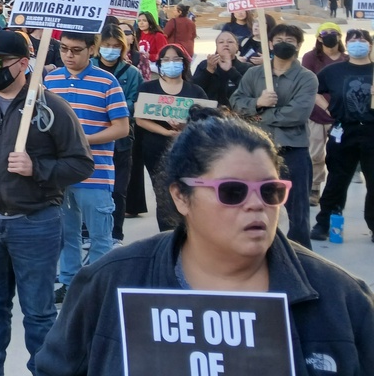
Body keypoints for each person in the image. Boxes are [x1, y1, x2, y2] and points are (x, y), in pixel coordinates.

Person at [34, 111, 374, 375]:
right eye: (232, 191)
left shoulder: (341, 298)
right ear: (182, 197)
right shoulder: (110, 283)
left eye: (270, 191)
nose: (257, 205)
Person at [0, 29, 94, 376]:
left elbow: (81, 163)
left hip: (35, 224)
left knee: (39, 313)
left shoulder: (51, 107)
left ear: (24, 64)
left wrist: (36, 168)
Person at [44, 31, 130, 303]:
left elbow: (122, 128)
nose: (69, 55)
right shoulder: (51, 79)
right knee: (66, 234)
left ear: (92, 50)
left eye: (76, 50)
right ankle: (69, 283)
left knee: (99, 237)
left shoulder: (107, 82)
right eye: (64, 49)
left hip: (96, 173)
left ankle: (99, 288)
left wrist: (83, 139)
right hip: (60, 174)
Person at [231, 23, 319, 249]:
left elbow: (297, 114)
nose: (283, 45)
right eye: (279, 40)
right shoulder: (253, 74)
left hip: (293, 151)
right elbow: (236, 103)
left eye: (290, 41)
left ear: (299, 45)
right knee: (253, 205)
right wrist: (258, 103)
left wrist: (259, 115)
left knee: (298, 212)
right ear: (270, 44)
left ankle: (301, 258)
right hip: (257, 150)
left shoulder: (307, 78)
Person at [310, 29, 374, 243]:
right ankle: (324, 223)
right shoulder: (333, 71)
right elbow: (312, 88)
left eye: (363, 39)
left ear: (370, 44)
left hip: (372, 131)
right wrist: (328, 108)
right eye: (353, 39)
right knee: (337, 179)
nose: (358, 42)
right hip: (343, 130)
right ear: (346, 44)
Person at [136, 44, 209, 232]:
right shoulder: (148, 88)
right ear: (159, 64)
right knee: (163, 194)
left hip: (187, 149)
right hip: (155, 149)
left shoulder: (196, 91)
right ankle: (168, 235)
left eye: (176, 60)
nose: (171, 64)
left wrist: (185, 127)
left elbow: (205, 121)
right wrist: (166, 132)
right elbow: (140, 119)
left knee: (187, 191)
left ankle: (189, 231)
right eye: (166, 60)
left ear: (184, 63)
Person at [92, 23, 143, 244]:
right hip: (93, 137)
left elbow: (134, 103)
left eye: (115, 46)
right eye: (106, 45)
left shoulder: (132, 73)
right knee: (92, 189)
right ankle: (90, 232)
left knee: (118, 190)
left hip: (121, 139)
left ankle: (115, 233)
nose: (110, 50)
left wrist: (110, 107)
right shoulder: (89, 68)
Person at [303, 22, 346, 206]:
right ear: (319, 38)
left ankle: (335, 191)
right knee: (315, 154)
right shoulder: (311, 58)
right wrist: (327, 107)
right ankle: (314, 187)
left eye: (333, 33)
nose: (329, 36)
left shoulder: (346, 59)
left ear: (339, 36)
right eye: (325, 33)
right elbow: (309, 87)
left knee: (339, 156)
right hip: (316, 114)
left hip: (341, 117)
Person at [192, 29, 251, 108]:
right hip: (209, 113)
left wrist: (231, 71)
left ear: (237, 47)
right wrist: (208, 71)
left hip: (237, 112)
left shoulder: (247, 68)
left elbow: (250, 90)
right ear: (216, 47)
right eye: (221, 42)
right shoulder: (205, 64)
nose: (225, 44)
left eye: (230, 42)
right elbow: (194, 90)